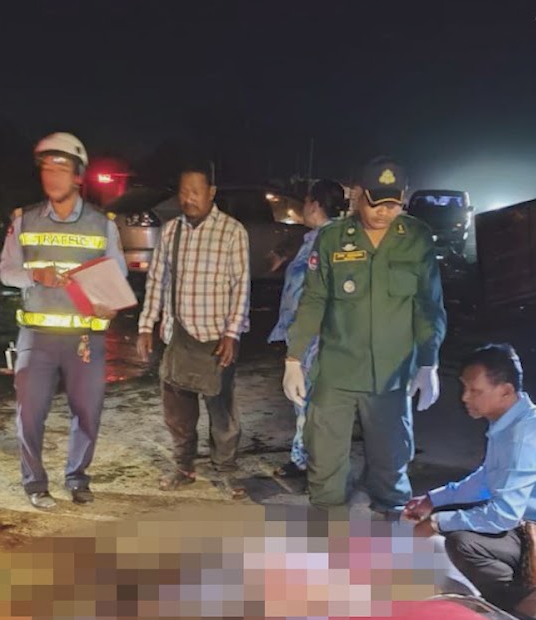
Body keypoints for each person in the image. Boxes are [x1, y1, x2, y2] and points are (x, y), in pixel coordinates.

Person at [282, 157, 447, 517]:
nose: (384, 213)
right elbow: (314, 300)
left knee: (391, 462)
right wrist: (294, 359)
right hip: (337, 372)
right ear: (357, 195)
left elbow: (428, 305)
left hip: (391, 374)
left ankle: (390, 527)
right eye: (376, 203)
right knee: (324, 460)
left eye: (393, 204)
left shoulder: (416, 238)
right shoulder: (332, 239)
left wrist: (428, 361)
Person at [403, 343, 536, 620]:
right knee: (461, 524)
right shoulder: (512, 420)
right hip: (531, 524)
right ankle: (516, 593)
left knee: (463, 542)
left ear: (505, 391)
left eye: (475, 391)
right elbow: (487, 478)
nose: (465, 397)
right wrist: (433, 500)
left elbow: (503, 516)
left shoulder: (523, 438)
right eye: (464, 388)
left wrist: (435, 523)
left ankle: (520, 600)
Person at [0, 132, 125, 510]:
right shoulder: (24, 220)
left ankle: (77, 477)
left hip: (85, 337)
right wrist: (34, 275)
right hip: (36, 337)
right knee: (29, 414)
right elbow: (6, 270)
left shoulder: (103, 224)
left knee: (87, 412)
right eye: (46, 168)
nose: (52, 176)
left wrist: (110, 304)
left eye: (61, 168)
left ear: (78, 176)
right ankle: (35, 482)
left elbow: (117, 276)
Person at [135, 163, 251, 494]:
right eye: (183, 192)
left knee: (222, 410)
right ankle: (184, 467)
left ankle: (225, 469)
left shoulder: (232, 231)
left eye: (195, 191)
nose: (188, 198)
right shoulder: (171, 231)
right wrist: (146, 325)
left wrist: (232, 333)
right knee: (178, 412)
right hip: (178, 337)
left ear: (211, 193)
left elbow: (241, 286)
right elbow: (157, 280)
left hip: (217, 339)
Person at [268, 178, 348, 487]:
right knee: (306, 400)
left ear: (314, 204)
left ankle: (309, 463)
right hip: (308, 334)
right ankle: (308, 460)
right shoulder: (322, 237)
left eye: (305, 201)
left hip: (314, 337)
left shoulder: (327, 240)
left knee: (308, 400)